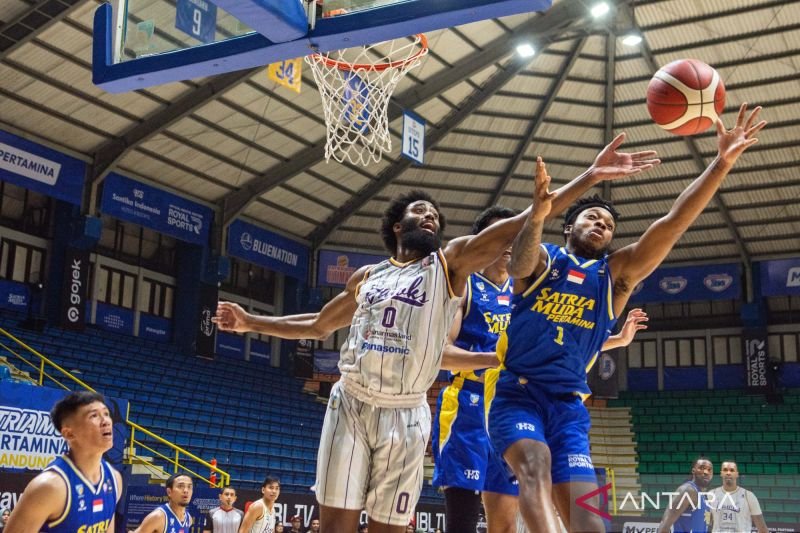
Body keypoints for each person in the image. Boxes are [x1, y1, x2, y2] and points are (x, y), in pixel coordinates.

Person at [215, 132, 658, 532]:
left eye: (435, 214)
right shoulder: (367, 277)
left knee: (418, 523)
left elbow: (523, 223)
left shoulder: (448, 265)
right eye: (420, 211)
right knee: (339, 525)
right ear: (397, 226)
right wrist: (251, 322)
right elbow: (317, 325)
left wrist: (586, 179)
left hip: (412, 409)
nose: (430, 216)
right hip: (355, 399)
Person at [488, 103, 765, 533]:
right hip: (517, 393)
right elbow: (519, 266)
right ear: (569, 227)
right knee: (534, 466)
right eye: (591, 217)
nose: (601, 224)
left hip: (569, 408)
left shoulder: (615, 276)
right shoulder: (546, 258)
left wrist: (720, 164)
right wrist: (538, 215)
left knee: (591, 525)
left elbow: (673, 224)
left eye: (608, 224)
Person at [432, 207, 648, 533]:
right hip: (470, 405)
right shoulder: (466, 286)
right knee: (462, 521)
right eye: (501, 235)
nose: (508, 242)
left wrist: (617, 340)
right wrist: (498, 358)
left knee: (504, 525)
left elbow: (565, 339)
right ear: (484, 241)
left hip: (517, 397)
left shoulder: (534, 282)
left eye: (513, 236)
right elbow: (441, 355)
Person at [4, 391, 122, 533]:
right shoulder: (49, 487)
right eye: (94, 416)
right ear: (69, 434)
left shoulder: (114, 479)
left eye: (106, 413)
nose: (106, 421)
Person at [657, 458, 714, 533]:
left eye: (709, 469)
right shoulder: (687, 490)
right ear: (693, 471)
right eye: (702, 468)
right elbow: (664, 526)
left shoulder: (703, 496)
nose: (706, 472)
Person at [709, 461, 768, 533]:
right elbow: (705, 522)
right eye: (725, 470)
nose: (728, 473)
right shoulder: (711, 495)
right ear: (721, 473)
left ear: (737, 474)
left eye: (732, 470)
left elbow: (763, 529)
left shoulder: (749, 496)